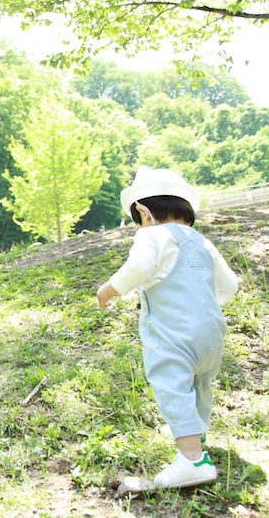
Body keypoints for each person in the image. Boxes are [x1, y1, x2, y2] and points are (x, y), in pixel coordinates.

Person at [95, 166, 238, 489]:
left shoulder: (151, 234)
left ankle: (192, 460)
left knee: (172, 384)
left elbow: (139, 266)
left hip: (174, 334)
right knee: (199, 385)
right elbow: (229, 286)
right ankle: (194, 433)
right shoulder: (203, 241)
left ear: (143, 212)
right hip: (211, 334)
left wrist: (109, 289)